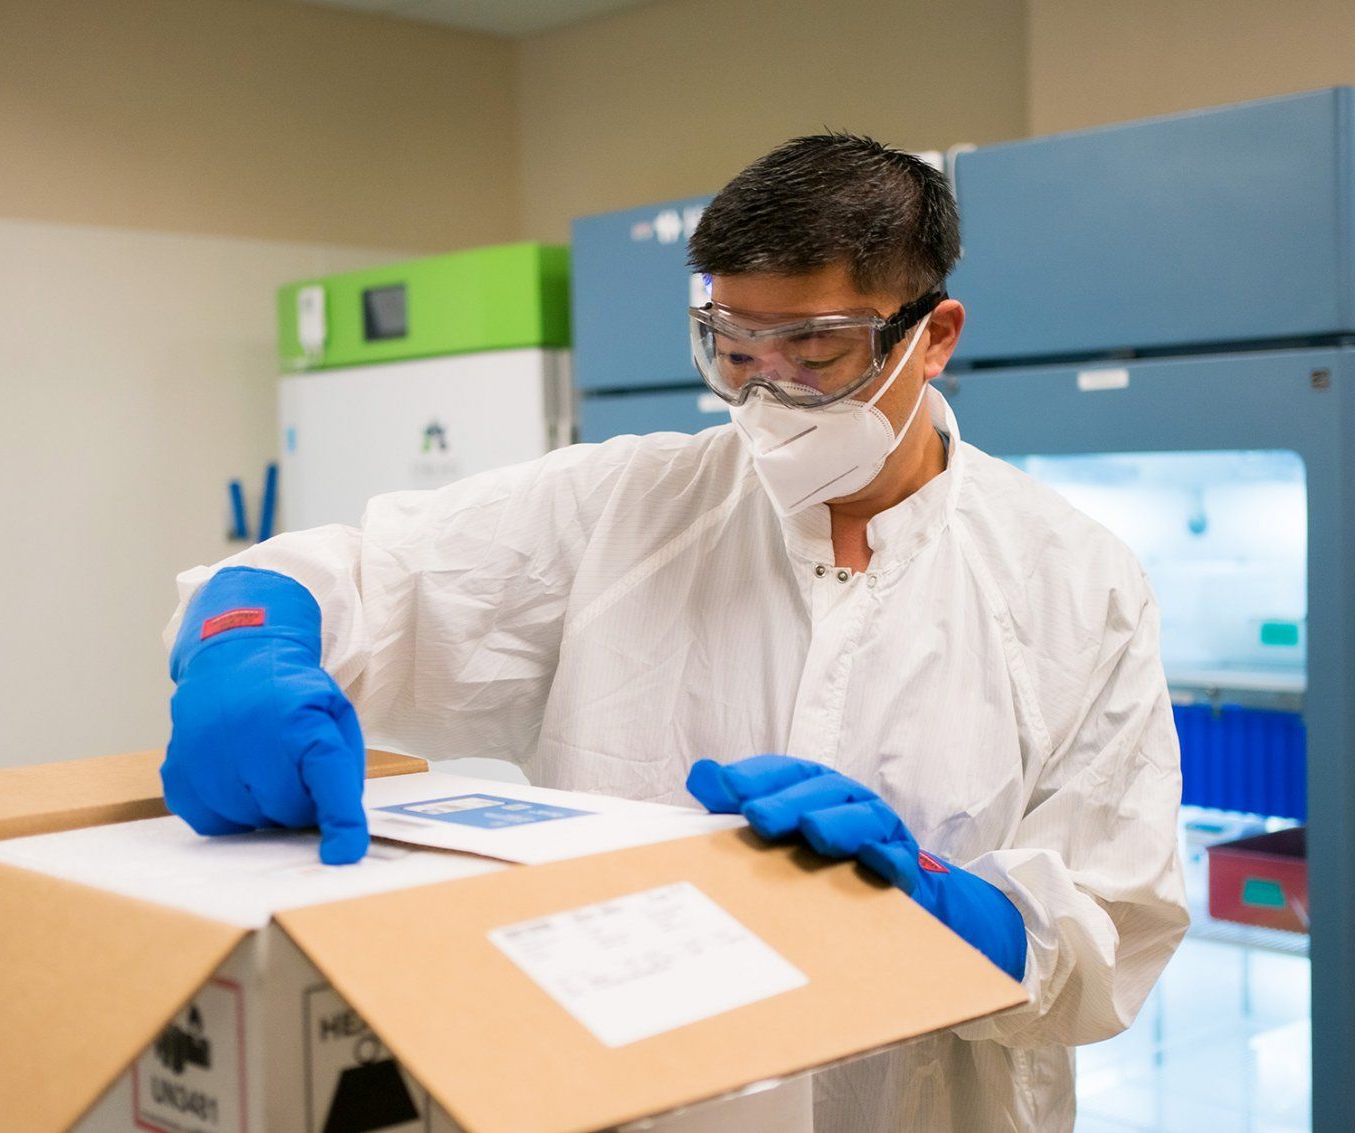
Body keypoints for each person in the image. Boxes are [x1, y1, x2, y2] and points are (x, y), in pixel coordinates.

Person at [161, 133, 1189, 1131]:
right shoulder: (626, 505)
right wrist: (246, 641)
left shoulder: (1073, 580)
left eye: (815, 352)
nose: (766, 394)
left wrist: (940, 901)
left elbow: (1108, 928)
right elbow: (347, 573)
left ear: (933, 334)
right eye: (733, 351)